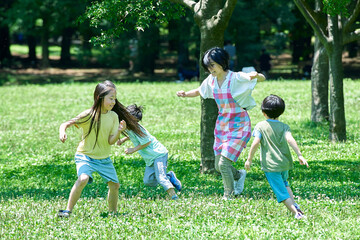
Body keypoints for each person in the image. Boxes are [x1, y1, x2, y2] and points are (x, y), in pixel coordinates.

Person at [176, 47, 265, 200]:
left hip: (239, 125)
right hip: (223, 126)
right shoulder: (211, 80)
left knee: (223, 164)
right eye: (208, 66)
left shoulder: (235, 77)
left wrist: (256, 75)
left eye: (212, 65)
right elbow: (199, 91)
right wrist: (185, 94)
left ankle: (228, 195)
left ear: (222, 62)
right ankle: (239, 175)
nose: (210, 69)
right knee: (218, 166)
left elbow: (261, 78)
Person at [58, 80, 144, 217]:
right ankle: (67, 211)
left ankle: (113, 213)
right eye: (111, 98)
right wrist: (62, 132)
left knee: (115, 185)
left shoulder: (114, 116)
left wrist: (119, 131)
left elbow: (110, 141)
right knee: (83, 179)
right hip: (85, 155)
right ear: (100, 98)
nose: (114, 102)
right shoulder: (88, 115)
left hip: (104, 158)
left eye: (115, 99)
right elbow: (65, 124)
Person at [245, 94, 309, 219]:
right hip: (284, 163)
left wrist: (249, 159)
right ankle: (295, 206)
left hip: (271, 166)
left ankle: (297, 214)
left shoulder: (260, 126)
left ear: (263, 112)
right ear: (281, 112)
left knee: (280, 191)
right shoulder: (284, 126)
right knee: (285, 184)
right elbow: (290, 139)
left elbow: (255, 143)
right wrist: (299, 155)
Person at [117, 104, 182, 200]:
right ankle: (170, 176)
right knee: (148, 181)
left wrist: (133, 150)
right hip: (150, 158)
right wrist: (123, 140)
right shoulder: (129, 127)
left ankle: (174, 197)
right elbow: (132, 135)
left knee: (161, 178)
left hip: (158, 154)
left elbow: (147, 142)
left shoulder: (138, 128)